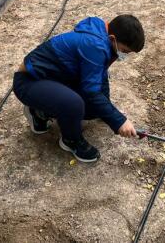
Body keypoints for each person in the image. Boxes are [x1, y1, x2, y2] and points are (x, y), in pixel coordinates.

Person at [12, 15, 145, 163]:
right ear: (113, 38)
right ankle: (69, 139)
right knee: (74, 104)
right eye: (125, 51)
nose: (124, 55)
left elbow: (100, 77)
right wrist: (119, 121)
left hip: (54, 79)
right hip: (29, 81)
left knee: (96, 109)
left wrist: (108, 114)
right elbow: (92, 92)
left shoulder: (104, 40)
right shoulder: (95, 45)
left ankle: (45, 109)